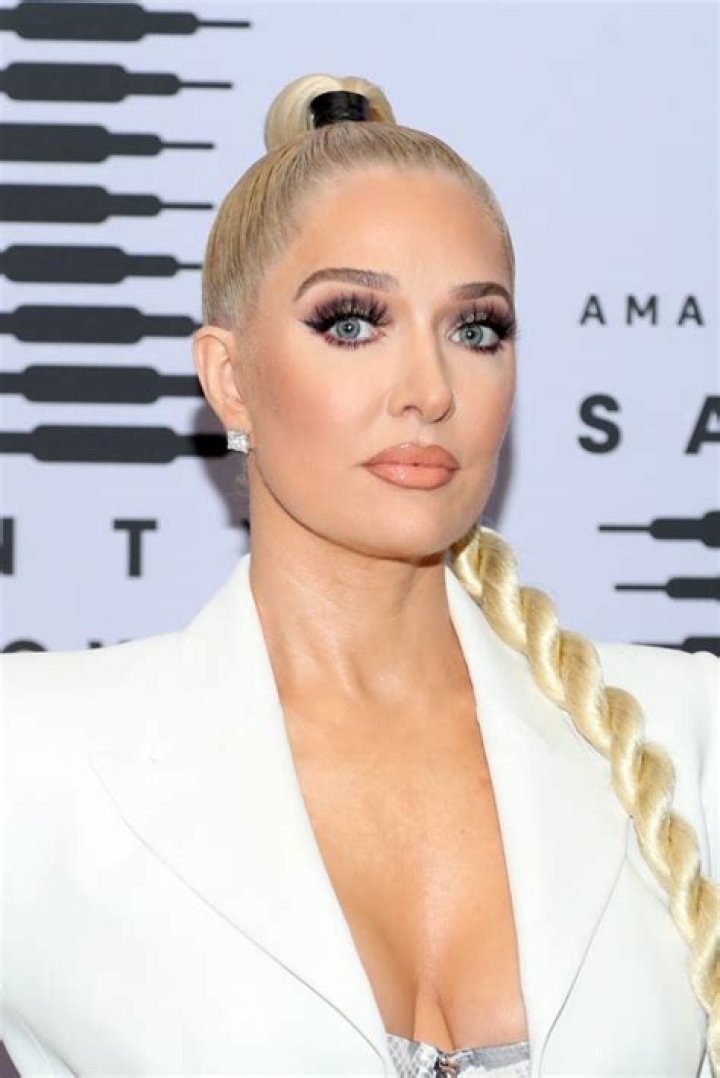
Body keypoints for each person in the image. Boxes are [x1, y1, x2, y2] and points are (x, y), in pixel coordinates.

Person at [0, 72, 717, 1078]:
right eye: (351, 322)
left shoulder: (690, 730)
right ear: (230, 379)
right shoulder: (32, 756)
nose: (429, 390)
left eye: (476, 329)